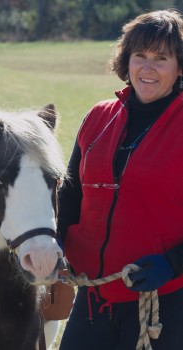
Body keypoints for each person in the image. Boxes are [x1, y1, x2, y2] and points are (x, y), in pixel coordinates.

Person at [57, 9, 183, 350]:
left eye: (162, 58)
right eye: (140, 56)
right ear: (126, 60)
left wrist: (174, 263)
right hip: (94, 297)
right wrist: (55, 242)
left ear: (179, 67)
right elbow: (69, 192)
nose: (148, 68)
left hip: (163, 302)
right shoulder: (98, 117)